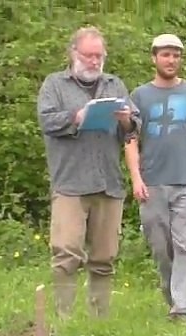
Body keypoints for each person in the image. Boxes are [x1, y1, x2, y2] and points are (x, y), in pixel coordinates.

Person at [36, 26, 140, 317]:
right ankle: (64, 318)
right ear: (73, 53)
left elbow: (134, 128)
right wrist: (77, 117)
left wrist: (125, 121)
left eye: (99, 56)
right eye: (89, 55)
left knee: (104, 257)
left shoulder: (114, 84)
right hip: (70, 183)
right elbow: (47, 121)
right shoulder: (54, 85)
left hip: (108, 183)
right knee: (66, 253)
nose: (94, 61)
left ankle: (99, 319)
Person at [124, 33, 186, 322]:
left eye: (176, 55)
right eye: (166, 54)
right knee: (161, 248)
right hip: (152, 183)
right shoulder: (140, 95)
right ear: (154, 58)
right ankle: (173, 297)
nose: (171, 60)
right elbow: (130, 139)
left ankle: (182, 310)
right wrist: (136, 178)